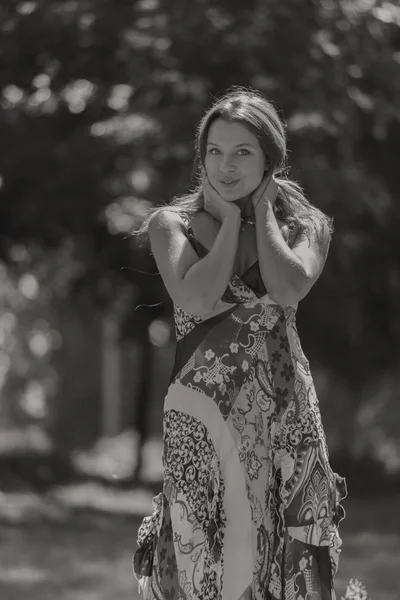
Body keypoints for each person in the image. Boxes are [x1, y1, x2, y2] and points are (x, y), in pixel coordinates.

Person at [132, 88, 347, 600]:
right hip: (203, 415)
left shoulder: (305, 226)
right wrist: (229, 222)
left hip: (284, 410)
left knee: (297, 552)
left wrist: (262, 212)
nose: (225, 166)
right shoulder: (173, 226)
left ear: (270, 160)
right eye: (215, 152)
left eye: (243, 153)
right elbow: (200, 298)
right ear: (201, 157)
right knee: (204, 553)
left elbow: (288, 286)